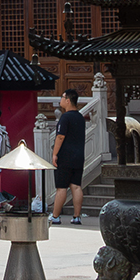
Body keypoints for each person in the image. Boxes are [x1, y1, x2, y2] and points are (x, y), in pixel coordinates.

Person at [50, 96, 90, 225]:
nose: (60, 100)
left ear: (68, 100)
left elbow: (60, 136)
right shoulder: (80, 117)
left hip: (65, 156)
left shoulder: (65, 117)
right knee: (76, 186)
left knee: (61, 187)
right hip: (78, 156)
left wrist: (55, 154)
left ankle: (55, 216)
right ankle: (77, 216)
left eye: (62, 97)